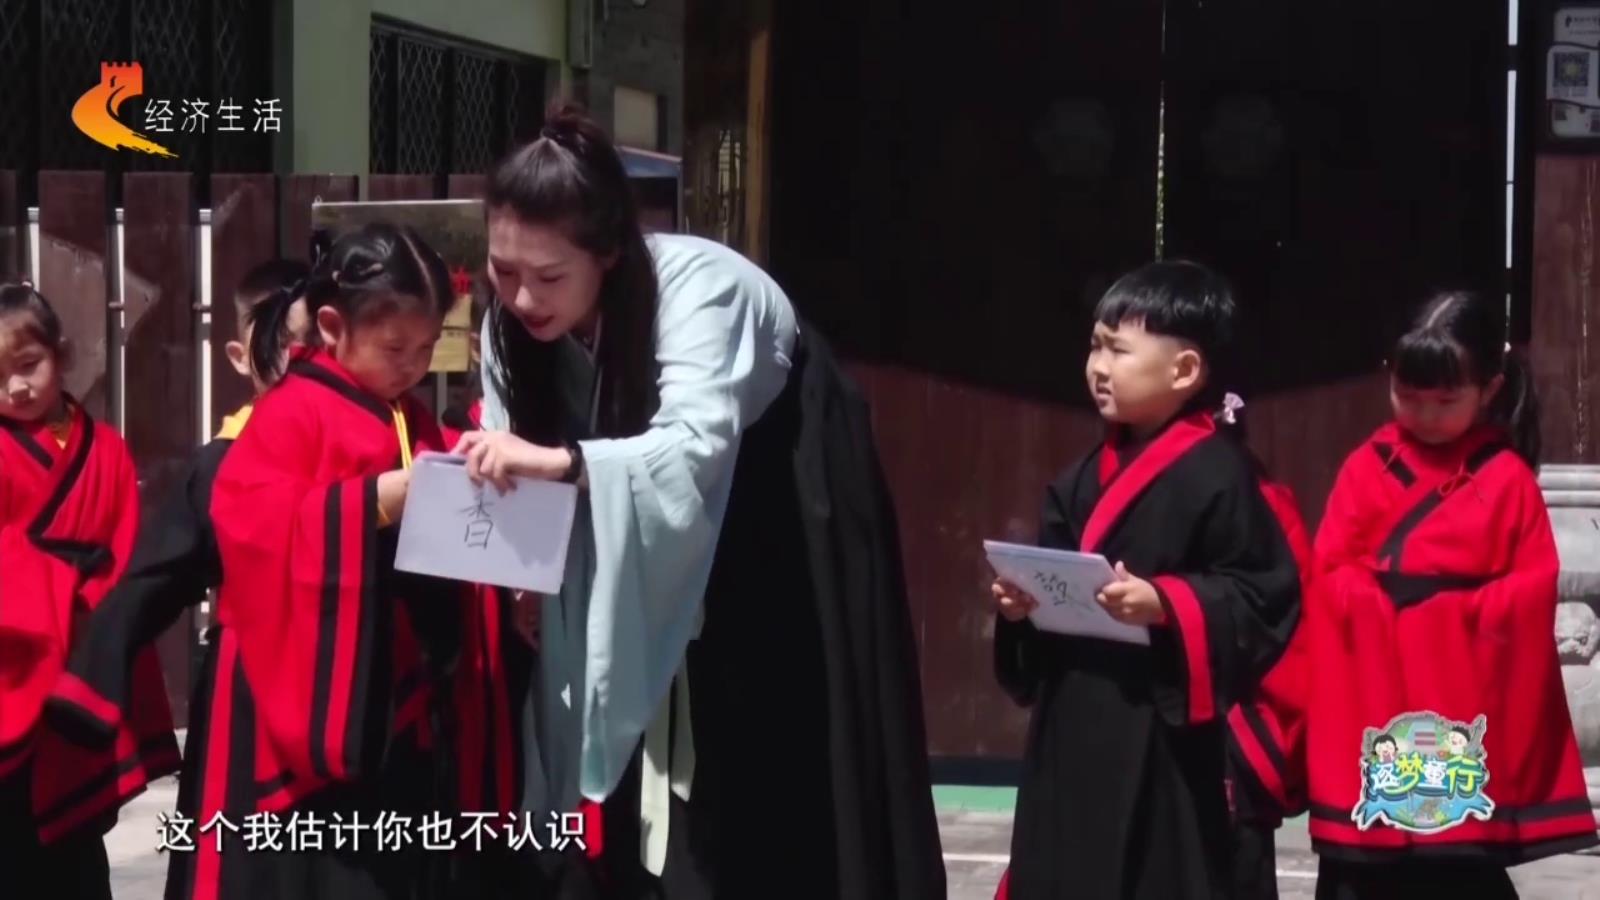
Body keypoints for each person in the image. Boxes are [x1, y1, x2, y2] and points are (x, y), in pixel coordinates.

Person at [456, 101, 946, 899]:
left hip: (768, 505)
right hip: (607, 515)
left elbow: (692, 449)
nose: (522, 298)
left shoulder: (699, 287)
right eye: (502, 271)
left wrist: (560, 462)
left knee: (764, 747)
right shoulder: (508, 325)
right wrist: (526, 578)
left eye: (549, 277)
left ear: (609, 253)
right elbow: (508, 457)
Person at [170, 224, 522, 900]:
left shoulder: (407, 415)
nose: (412, 365)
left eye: (426, 348)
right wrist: (376, 500)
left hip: (382, 686)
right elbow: (251, 525)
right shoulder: (290, 411)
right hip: (297, 684)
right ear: (333, 326)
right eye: (395, 347)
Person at [989, 261, 1301, 899]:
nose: (1098, 367)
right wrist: (1021, 607)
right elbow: (1052, 590)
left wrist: (1168, 603)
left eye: (1118, 350)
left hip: (1162, 736)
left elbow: (1262, 595)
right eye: (1094, 346)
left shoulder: (1221, 474)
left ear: (1184, 370)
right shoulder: (1079, 478)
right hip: (1073, 719)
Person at [1303, 291, 1598, 897]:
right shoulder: (1367, 466)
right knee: (1363, 861)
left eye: (1445, 401)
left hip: (1461, 700)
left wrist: (1446, 615)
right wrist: (1375, 604)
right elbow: (1329, 569)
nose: (1425, 415)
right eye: (1409, 396)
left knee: (1458, 860)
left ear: (1490, 390)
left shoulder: (1507, 478)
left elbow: (1530, 587)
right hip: (1376, 692)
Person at [37, 261, 310, 893]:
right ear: (242, 356)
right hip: (251, 696)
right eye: (283, 348)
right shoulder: (223, 463)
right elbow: (148, 578)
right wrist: (88, 684)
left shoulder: (383, 439)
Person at [0, 283, 178, 899]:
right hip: (14, 662)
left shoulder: (106, 448)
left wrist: (98, 621)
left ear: (62, 353)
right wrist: (50, 585)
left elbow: (124, 547)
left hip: (86, 656)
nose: (16, 388)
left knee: (76, 844)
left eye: (29, 365)